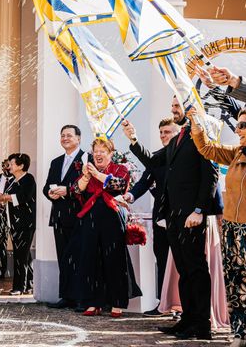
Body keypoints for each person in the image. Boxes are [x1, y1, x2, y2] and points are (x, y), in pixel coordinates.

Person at [123, 96, 218, 340]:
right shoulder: (177, 139)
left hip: (191, 216)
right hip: (174, 216)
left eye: (177, 105)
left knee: (196, 269)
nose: (173, 109)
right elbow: (154, 162)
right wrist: (133, 139)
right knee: (184, 270)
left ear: (192, 106)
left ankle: (202, 323)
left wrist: (199, 210)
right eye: (173, 105)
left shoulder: (202, 134)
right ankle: (187, 319)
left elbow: (211, 175)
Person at [187, 105, 246, 347]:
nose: (238, 130)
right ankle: (241, 333)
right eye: (237, 125)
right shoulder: (237, 152)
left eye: (244, 125)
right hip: (232, 229)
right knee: (237, 284)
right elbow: (208, 149)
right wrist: (197, 127)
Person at [62, 138, 138, 317]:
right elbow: (75, 191)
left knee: (114, 259)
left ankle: (117, 303)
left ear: (111, 154)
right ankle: (92, 302)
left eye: (103, 151)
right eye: (96, 150)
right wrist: (87, 176)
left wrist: (96, 174)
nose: (98, 154)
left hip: (112, 217)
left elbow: (118, 185)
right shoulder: (87, 171)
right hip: (90, 218)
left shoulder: (120, 169)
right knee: (89, 259)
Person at [123, 118, 179, 316]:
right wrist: (129, 196)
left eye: (167, 132)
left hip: (180, 217)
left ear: (178, 133)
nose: (163, 135)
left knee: (181, 262)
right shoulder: (158, 158)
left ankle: (182, 305)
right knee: (162, 258)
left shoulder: (181, 156)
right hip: (160, 216)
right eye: (161, 132)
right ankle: (164, 303)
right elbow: (144, 182)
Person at [42, 125, 84, 308]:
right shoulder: (56, 162)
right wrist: (50, 193)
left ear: (78, 139)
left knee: (79, 257)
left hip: (78, 216)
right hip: (59, 216)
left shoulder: (85, 160)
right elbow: (46, 187)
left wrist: (67, 191)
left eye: (69, 135)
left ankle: (80, 297)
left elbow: (87, 189)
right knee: (63, 257)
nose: (65, 138)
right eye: (62, 135)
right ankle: (66, 295)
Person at [0, 153, 36, 295]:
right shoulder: (13, 180)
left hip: (25, 224)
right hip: (14, 223)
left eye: (12, 164)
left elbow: (24, 197)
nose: (10, 166)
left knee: (20, 255)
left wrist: (5, 197)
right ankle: (29, 284)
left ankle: (19, 287)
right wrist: (1, 198)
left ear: (21, 166)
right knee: (24, 256)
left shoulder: (28, 179)